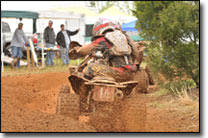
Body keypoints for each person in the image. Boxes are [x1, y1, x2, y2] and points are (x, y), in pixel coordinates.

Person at [73, 18, 140, 82]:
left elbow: (84, 50)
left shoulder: (102, 39)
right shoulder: (124, 37)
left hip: (117, 73)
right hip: (131, 73)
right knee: (101, 62)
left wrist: (76, 49)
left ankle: (87, 90)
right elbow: (136, 52)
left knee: (89, 68)